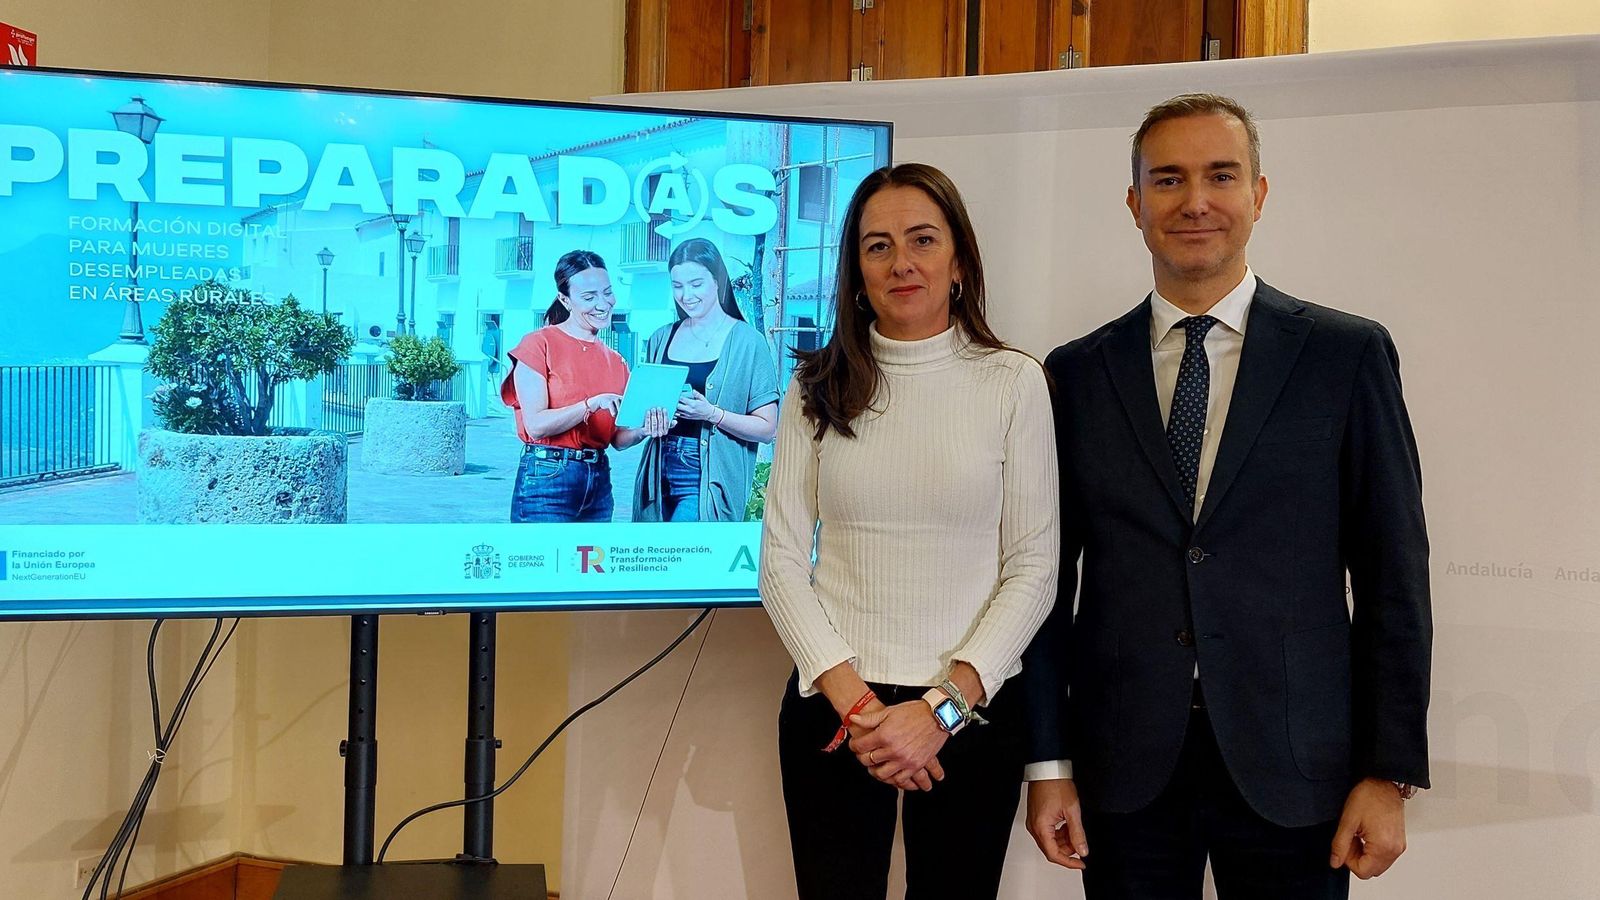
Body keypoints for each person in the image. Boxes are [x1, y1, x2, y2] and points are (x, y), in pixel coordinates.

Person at [1021, 93, 1433, 899]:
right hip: (1124, 768)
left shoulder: (1345, 357)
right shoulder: (1075, 374)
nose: (1195, 201)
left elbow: (1393, 577)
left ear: (1259, 194)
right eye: (1168, 179)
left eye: (1220, 175)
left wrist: (1388, 772)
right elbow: (1044, 583)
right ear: (1135, 202)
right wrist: (1048, 761)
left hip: (1299, 766)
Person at [759, 162, 1059, 899]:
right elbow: (781, 562)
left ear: (958, 260)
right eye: (878, 246)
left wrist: (940, 711)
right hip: (837, 709)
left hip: (971, 713)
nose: (902, 262)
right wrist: (861, 710)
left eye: (923, 239)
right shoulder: (815, 386)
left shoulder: (1014, 382)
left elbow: (1034, 568)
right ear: (856, 273)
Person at [500, 250, 665, 522]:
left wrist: (645, 429)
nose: (603, 304)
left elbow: (617, 439)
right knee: (544, 552)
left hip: (598, 480)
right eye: (589, 297)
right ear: (565, 300)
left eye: (607, 293)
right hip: (547, 476)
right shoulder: (537, 344)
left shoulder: (617, 361)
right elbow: (536, 425)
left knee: (593, 552)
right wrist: (591, 404)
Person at [632, 238, 780, 522]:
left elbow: (766, 429)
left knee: (685, 549)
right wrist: (648, 423)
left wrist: (711, 413)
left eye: (696, 284)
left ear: (718, 281)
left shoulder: (749, 342)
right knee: (654, 550)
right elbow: (637, 418)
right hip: (657, 470)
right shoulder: (660, 338)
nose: (686, 295)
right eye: (678, 286)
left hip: (707, 474)